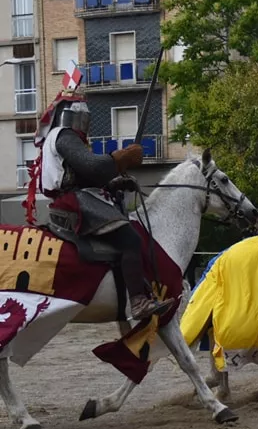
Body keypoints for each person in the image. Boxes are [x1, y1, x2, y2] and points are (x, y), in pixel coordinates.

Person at [30, 89, 173, 320]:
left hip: (75, 197)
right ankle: (137, 301)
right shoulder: (65, 136)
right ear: (70, 116)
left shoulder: (59, 138)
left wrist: (115, 182)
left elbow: (85, 175)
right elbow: (94, 167)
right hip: (74, 202)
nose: (85, 121)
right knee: (130, 239)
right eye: (82, 116)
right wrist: (123, 157)